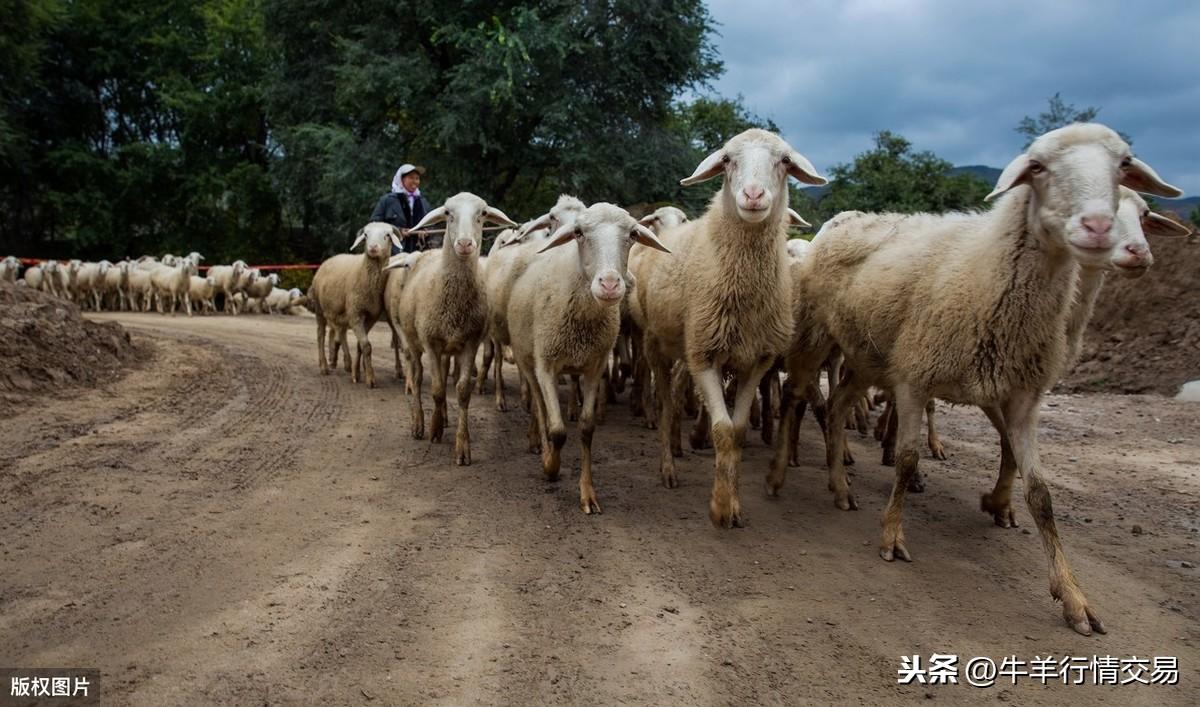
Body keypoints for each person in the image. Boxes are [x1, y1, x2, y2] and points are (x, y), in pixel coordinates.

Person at [370, 164, 434, 253]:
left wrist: (426, 232)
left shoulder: (423, 202)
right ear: (401, 180)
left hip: (419, 254)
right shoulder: (388, 201)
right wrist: (397, 231)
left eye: (417, 178)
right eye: (411, 178)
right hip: (393, 253)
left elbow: (431, 225)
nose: (415, 181)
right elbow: (375, 223)